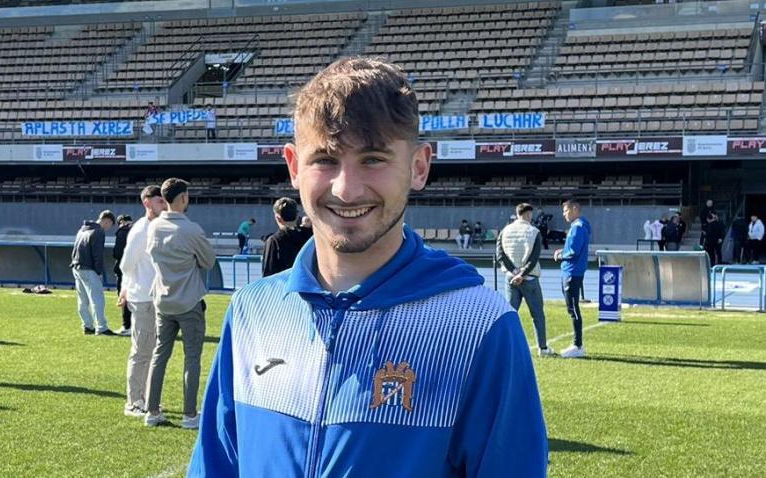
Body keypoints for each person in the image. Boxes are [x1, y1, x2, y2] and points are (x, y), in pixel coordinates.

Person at [189, 57, 547, 477]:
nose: (346, 189)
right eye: (325, 159)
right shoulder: (253, 311)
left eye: (373, 159)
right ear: (294, 167)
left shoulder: (479, 327)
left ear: (418, 167)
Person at [145, 178, 216, 429]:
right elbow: (208, 261)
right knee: (192, 358)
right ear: (184, 197)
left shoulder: (154, 227)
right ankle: (189, 414)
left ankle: (152, 410)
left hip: (163, 299)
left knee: (159, 355)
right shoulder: (191, 229)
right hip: (188, 301)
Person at [118, 186, 167, 418]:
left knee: (153, 351)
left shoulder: (158, 226)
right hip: (144, 298)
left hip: (154, 297)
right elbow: (126, 264)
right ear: (147, 203)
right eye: (159, 201)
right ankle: (134, 401)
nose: (164, 205)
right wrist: (128, 286)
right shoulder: (140, 230)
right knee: (142, 351)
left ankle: (146, 399)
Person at [496, 203, 554, 357]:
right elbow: (534, 258)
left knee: (510, 315)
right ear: (528, 214)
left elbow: (500, 255)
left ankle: (506, 346)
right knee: (537, 315)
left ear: (517, 213)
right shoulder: (534, 232)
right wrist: (522, 273)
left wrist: (514, 272)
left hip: (510, 279)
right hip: (529, 279)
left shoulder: (505, 231)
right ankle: (542, 348)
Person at [554, 199, 591, 359]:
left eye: (566, 211)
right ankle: (577, 344)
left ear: (575, 209)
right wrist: (563, 250)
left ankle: (577, 345)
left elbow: (573, 251)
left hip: (571, 272)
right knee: (572, 308)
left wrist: (562, 254)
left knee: (573, 309)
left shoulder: (578, 227)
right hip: (573, 271)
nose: (564, 214)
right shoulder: (581, 226)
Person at [70, 210, 115, 336]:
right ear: (107, 221)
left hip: (76, 267)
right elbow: (97, 254)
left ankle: (87, 326)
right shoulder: (98, 232)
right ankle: (101, 327)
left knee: (82, 300)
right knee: (97, 299)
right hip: (89, 268)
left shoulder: (82, 230)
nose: (108, 228)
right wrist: (99, 271)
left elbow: (75, 250)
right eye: (110, 225)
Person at [262, 197, 309, 277]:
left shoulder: (274, 241)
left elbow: (268, 273)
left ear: (277, 218)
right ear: (297, 215)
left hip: (283, 284)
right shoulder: (309, 236)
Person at [113, 214, 134, 336]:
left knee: (124, 299)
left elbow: (117, 253)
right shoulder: (138, 230)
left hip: (124, 270)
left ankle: (127, 325)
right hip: (138, 271)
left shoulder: (122, 232)